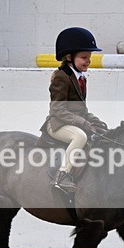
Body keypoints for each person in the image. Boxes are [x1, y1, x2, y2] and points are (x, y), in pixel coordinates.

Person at [40, 27, 109, 193]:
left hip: (72, 122)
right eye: (84, 57)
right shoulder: (61, 77)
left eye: (89, 57)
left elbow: (81, 109)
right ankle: (62, 175)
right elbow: (57, 109)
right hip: (58, 124)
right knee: (80, 137)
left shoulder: (81, 78)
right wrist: (83, 123)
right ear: (69, 57)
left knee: (101, 133)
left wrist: (96, 122)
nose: (88, 61)